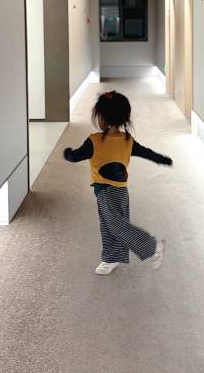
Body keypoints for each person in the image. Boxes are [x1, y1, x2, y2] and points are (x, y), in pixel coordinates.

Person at [63, 90, 173, 275]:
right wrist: (163, 159)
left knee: (115, 225)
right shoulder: (127, 140)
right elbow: (147, 153)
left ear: (102, 118)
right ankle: (111, 258)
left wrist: (67, 153)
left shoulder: (94, 141)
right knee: (110, 225)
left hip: (106, 190)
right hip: (121, 191)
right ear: (124, 118)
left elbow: (75, 157)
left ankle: (152, 246)